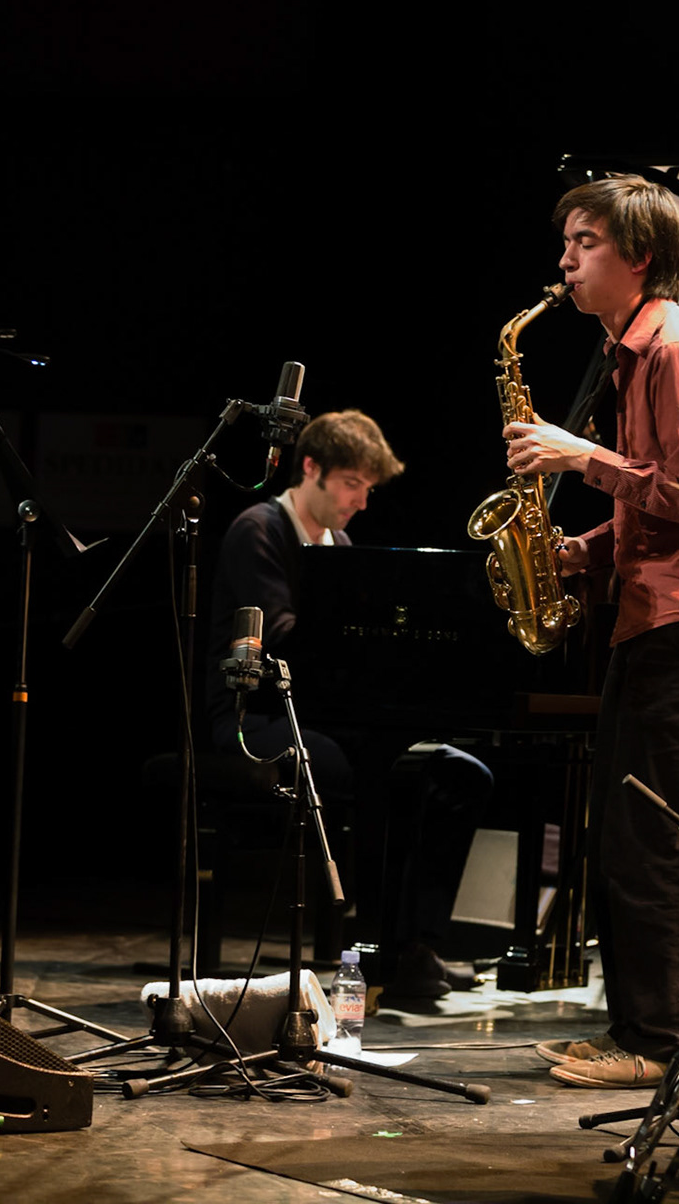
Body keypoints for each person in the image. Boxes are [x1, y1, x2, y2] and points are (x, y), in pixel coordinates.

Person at [503, 174, 679, 1088]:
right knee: (622, 833)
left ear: (639, 257)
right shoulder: (637, 352)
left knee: (650, 836)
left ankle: (659, 1045)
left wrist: (583, 456)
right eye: (567, 243)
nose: (565, 262)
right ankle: (633, 1032)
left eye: (584, 244)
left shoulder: (678, 349)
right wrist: (577, 552)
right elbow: (657, 495)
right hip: (653, 612)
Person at [206, 409, 492, 999]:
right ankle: (373, 945)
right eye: (351, 484)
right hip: (251, 718)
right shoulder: (259, 529)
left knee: (463, 777)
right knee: (377, 776)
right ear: (310, 468)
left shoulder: (339, 543)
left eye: (367, 487)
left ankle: (416, 944)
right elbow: (283, 638)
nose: (362, 501)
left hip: (330, 715)